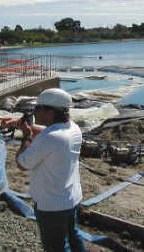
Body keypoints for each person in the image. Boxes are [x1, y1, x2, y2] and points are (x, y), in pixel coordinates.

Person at [7, 88, 86, 252]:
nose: (35, 112)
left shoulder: (50, 138)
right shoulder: (73, 128)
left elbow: (23, 163)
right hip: (70, 198)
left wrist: (27, 135)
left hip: (52, 205)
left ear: (50, 112)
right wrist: (22, 125)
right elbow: (47, 132)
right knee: (73, 236)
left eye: (38, 108)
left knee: (56, 247)